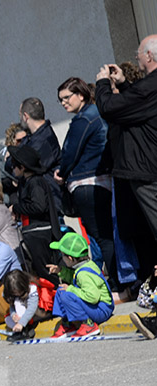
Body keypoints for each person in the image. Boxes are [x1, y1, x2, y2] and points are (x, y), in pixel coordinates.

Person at [95, 36, 157, 272]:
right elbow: (139, 110)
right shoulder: (148, 89)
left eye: (138, 53)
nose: (136, 57)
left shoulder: (150, 85)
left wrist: (102, 84)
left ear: (149, 56)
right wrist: (124, 85)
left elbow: (111, 109)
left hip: (148, 172)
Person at [54, 77, 115, 289]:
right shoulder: (96, 113)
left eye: (67, 97)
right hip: (99, 181)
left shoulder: (84, 119)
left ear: (81, 95)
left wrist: (61, 172)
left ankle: (117, 285)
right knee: (105, 235)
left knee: (101, 237)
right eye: (60, 100)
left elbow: (70, 151)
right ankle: (117, 282)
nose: (63, 103)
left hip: (87, 182)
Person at [9, 144, 61, 284]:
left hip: (40, 233)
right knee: (38, 271)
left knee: (46, 271)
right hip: (32, 232)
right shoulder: (26, 182)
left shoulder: (36, 182)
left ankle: (57, 298)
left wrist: (16, 208)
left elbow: (39, 206)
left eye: (15, 165)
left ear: (23, 167)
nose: (12, 168)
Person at [46, 232, 113, 338]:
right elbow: (74, 278)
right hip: (98, 308)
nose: (62, 258)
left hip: (102, 310)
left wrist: (71, 289)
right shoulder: (83, 267)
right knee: (61, 291)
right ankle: (68, 324)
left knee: (67, 294)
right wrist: (60, 271)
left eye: (62, 255)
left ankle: (89, 325)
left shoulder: (83, 274)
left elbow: (93, 297)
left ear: (70, 258)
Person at [1, 270, 41, 342]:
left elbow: (32, 308)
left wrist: (21, 323)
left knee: (18, 303)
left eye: (18, 291)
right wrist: (13, 315)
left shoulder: (31, 289)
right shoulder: (11, 295)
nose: (16, 294)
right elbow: (12, 306)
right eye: (14, 292)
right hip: (22, 317)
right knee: (7, 319)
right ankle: (21, 330)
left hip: (35, 314)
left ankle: (23, 330)